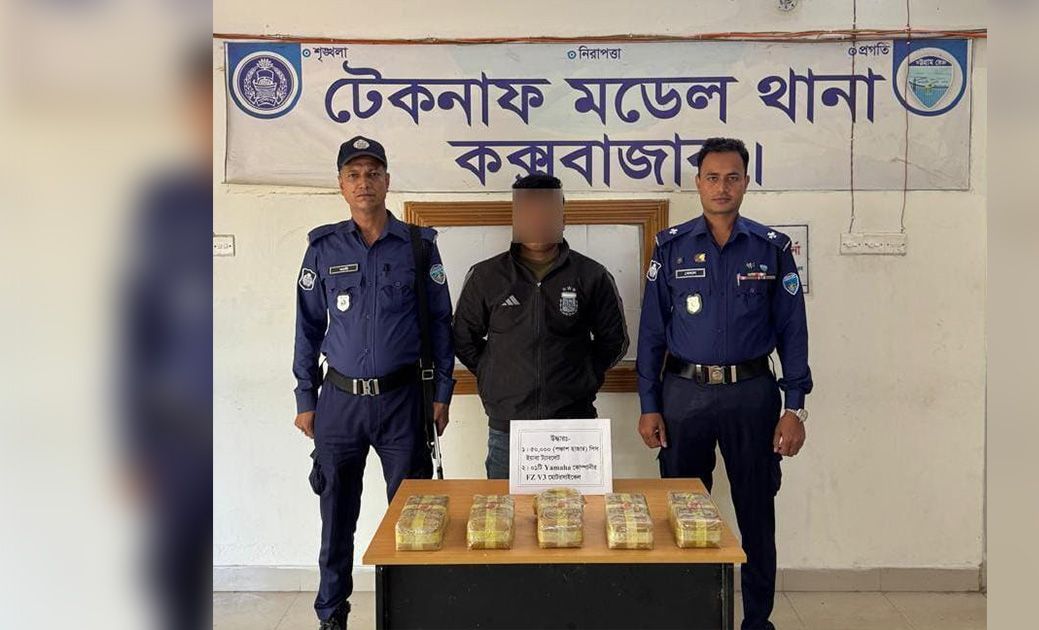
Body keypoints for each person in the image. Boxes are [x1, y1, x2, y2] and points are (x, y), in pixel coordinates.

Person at [636, 137, 813, 630]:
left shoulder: (771, 249)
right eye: (712, 177)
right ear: (698, 183)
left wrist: (794, 407)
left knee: (756, 514)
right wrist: (649, 404)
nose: (722, 187)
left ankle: (757, 621)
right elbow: (651, 333)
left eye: (732, 177)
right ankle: (687, 616)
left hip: (752, 396)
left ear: (746, 182)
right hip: (684, 395)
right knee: (682, 512)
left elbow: (793, 333)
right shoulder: (670, 247)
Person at [292, 136, 455, 629]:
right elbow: (307, 328)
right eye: (354, 174)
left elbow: (441, 324)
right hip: (339, 403)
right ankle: (331, 615)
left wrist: (442, 393)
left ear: (387, 180)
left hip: (403, 401)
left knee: (413, 516)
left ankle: (413, 613)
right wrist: (305, 397)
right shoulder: (323, 248)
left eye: (372, 173)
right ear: (341, 184)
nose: (363, 182)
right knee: (336, 516)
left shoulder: (419, 246)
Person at [453, 172, 629, 479]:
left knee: (578, 509)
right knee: (507, 510)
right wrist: (496, 373)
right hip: (508, 428)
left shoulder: (592, 275)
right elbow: (463, 339)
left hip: (574, 425)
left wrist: (583, 376)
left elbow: (614, 341)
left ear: (563, 218)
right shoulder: (486, 276)